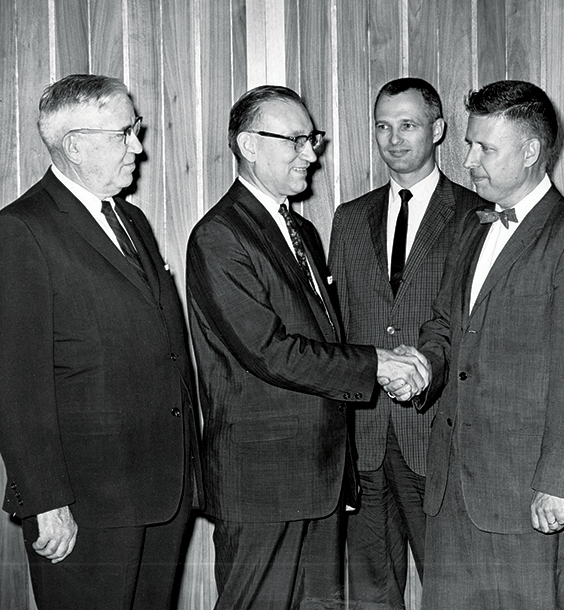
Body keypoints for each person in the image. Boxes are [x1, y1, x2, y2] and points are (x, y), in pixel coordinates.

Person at [185, 85, 430, 609]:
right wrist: (377, 364)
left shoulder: (300, 230)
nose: (311, 154)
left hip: (318, 478)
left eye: (312, 139)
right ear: (249, 145)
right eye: (296, 140)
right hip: (264, 483)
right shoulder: (220, 235)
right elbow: (270, 351)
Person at [389, 80, 564, 609]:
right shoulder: (470, 228)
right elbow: (445, 327)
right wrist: (424, 365)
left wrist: (560, 482)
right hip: (451, 494)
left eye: (484, 148)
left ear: (532, 151)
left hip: (528, 496)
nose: (468, 161)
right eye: (469, 144)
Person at [0, 74, 202, 610]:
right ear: (74, 144)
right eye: (124, 133)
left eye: (135, 130)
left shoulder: (130, 219)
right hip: (84, 507)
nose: (138, 146)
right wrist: (45, 501)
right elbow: (17, 384)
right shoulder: (21, 230)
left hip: (160, 491)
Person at [328, 78, 487, 608]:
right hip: (365, 437)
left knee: (452, 591)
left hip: (439, 439)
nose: (394, 138)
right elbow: (339, 327)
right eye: (383, 125)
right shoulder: (348, 219)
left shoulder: (476, 214)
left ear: (438, 130)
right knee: (371, 594)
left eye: (409, 125)